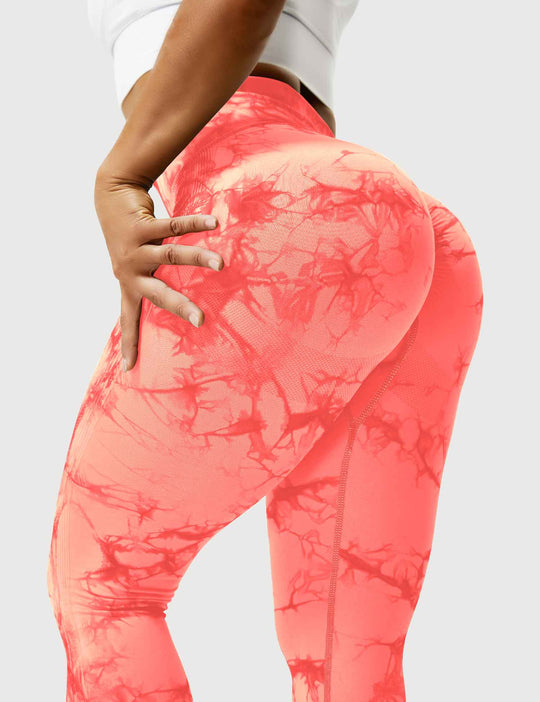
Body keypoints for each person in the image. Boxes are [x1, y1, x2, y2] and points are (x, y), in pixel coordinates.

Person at [46, 0, 484, 699]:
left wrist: (120, 177)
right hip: (405, 234)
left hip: (278, 213)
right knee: (342, 648)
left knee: (104, 589)